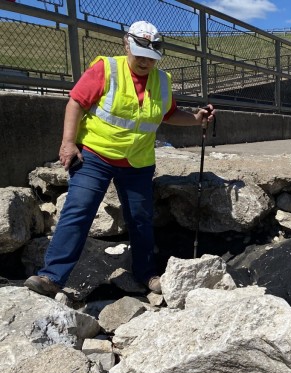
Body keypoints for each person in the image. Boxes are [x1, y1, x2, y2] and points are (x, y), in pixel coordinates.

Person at [24, 20, 215, 298]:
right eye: (140, 55)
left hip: (137, 162)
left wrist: (196, 119)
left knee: (140, 218)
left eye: (151, 58)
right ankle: (52, 277)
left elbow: (168, 114)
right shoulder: (107, 69)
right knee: (79, 210)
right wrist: (68, 143)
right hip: (95, 155)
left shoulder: (162, 81)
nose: (145, 62)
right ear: (127, 45)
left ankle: (146, 273)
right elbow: (76, 101)